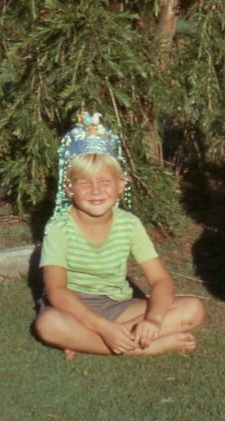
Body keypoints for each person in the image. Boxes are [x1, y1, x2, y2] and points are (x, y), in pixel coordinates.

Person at [34, 112, 205, 358]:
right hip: (72, 308)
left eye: (105, 181)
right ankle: (145, 347)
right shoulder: (59, 227)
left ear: (121, 184)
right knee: (48, 324)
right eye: (85, 183)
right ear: (69, 189)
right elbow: (57, 291)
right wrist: (104, 328)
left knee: (193, 309)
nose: (96, 191)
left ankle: (86, 341)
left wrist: (154, 321)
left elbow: (160, 281)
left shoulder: (129, 224)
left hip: (118, 305)